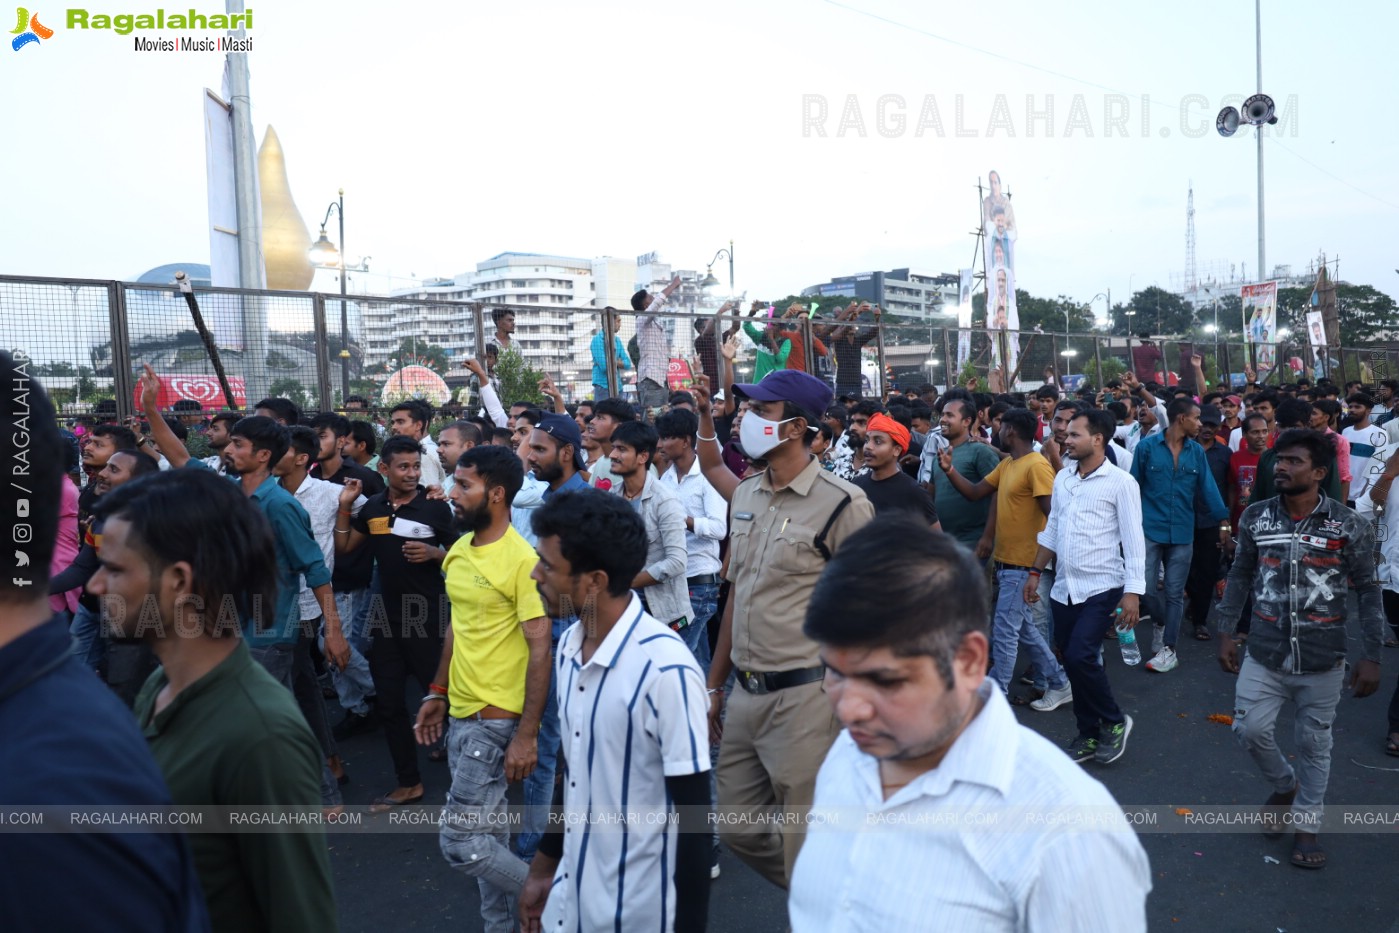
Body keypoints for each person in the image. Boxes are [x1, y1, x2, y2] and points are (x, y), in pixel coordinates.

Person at [790, 517, 1151, 932]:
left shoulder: (1068, 833)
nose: (850, 709)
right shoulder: (851, 751)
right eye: (834, 672)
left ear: (968, 660)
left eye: (884, 680)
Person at [1, 355, 211, 933]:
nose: (101, 468)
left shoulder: (56, 789)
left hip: (133, 635)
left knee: (130, 686)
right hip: (87, 623)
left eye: (113, 460)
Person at [89, 470, 338, 932]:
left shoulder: (260, 735)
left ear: (180, 582)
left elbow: (301, 916)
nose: (95, 586)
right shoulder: (161, 686)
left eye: (116, 569)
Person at [697, 369, 875, 889]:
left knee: (806, 843)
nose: (747, 419)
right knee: (737, 828)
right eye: (748, 408)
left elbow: (867, 610)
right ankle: (845, 897)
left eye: (762, 411)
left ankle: (831, 907)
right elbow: (737, 597)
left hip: (806, 696)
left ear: (796, 427)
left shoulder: (843, 503)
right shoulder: (748, 495)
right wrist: (714, 683)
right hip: (746, 695)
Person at [518, 491, 712, 933]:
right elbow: (574, 775)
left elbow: (696, 822)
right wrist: (543, 869)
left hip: (640, 913)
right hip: (572, 899)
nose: (535, 574)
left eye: (547, 565)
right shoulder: (568, 648)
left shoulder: (666, 670)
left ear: (594, 581)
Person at [1212, 429, 1383, 871]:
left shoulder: (1348, 524)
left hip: (1323, 656)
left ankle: (1307, 825)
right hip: (1264, 652)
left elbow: (1367, 590)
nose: (1280, 467)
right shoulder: (1255, 517)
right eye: (1278, 460)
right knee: (1248, 730)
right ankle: (1283, 785)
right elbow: (1239, 576)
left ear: (1320, 472)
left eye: (1293, 461)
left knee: (1314, 743)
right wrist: (1226, 631)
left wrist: (1372, 655)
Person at [413, 446, 550, 933]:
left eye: (464, 486)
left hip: (495, 722)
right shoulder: (456, 551)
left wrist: (526, 734)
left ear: (496, 494)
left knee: (461, 843)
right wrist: (436, 691)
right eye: (454, 482)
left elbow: (540, 650)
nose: (452, 493)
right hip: (460, 715)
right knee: (489, 836)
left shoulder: (522, 562)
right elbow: (457, 628)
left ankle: (559, 900)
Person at [335, 435, 458, 811]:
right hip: (385, 617)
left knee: (446, 699)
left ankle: (470, 778)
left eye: (415, 466)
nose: (411, 473)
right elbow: (345, 548)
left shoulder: (435, 506)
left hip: (427, 615)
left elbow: (462, 554)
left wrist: (435, 552)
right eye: (402, 467)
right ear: (383, 470)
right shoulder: (372, 509)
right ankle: (409, 782)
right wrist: (344, 508)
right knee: (389, 703)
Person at [1025, 410, 1146, 763]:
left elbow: (1134, 541)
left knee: (1080, 655)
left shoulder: (1122, 483)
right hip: (1064, 587)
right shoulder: (1064, 478)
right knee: (1074, 660)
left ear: (1098, 439)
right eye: (1067, 434)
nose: (1066, 438)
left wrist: (1133, 592)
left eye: (1075, 434)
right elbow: (1052, 529)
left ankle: (1114, 720)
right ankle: (1088, 733)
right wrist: (1035, 572)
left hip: (1103, 586)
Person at [939, 408, 1071, 706]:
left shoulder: (1036, 465)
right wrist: (949, 469)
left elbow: (1054, 517)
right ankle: (1060, 682)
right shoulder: (1011, 463)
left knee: (1005, 632)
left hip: (1024, 565)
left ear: (1010, 430)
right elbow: (975, 492)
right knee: (1023, 630)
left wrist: (1039, 568)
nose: (996, 429)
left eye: (1002, 426)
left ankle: (994, 696)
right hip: (1007, 563)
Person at [514, 412, 590, 863]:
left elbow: (592, 586)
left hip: (570, 638)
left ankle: (534, 852)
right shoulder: (547, 495)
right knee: (555, 748)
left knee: (550, 748)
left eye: (538, 448)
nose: (531, 457)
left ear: (566, 452)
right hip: (552, 635)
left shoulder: (580, 504)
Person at [1129, 396, 1230, 673]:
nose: (1200, 424)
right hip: (1150, 530)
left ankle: (1168, 649)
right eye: (1197, 418)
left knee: (1174, 593)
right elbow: (1132, 488)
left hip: (1184, 532)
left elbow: (1208, 488)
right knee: (1146, 591)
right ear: (1181, 419)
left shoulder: (1196, 452)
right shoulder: (1147, 448)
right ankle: (1160, 622)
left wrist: (1224, 522)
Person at [656, 409, 728, 670]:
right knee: (696, 658)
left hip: (699, 583)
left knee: (677, 657)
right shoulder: (666, 477)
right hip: (676, 581)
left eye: (666, 438)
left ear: (686, 441)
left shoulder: (709, 477)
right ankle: (708, 705)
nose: (661, 444)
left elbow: (720, 528)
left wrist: (682, 520)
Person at [605, 421, 690, 630]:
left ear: (643, 457)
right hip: (622, 610)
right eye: (614, 447)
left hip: (663, 613)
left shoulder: (665, 500)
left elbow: (677, 562)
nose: (613, 455)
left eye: (622, 449)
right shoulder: (611, 497)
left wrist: (626, 582)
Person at [923, 396, 1000, 552]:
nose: (943, 420)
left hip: (974, 544)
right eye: (942, 415)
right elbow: (930, 499)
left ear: (966, 421)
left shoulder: (980, 451)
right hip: (944, 544)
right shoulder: (941, 455)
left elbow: (997, 495)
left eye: (950, 415)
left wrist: (988, 537)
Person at [1185, 405, 1234, 641]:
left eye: (1213, 426)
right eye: (1203, 424)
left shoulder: (1224, 454)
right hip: (1184, 519)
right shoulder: (1184, 450)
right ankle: (1194, 604)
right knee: (1187, 572)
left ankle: (1200, 621)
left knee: (1206, 572)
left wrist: (1226, 523)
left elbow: (1230, 489)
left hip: (1212, 522)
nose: (1207, 429)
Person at [855, 412, 939, 527]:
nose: (868, 446)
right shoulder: (856, 486)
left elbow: (936, 540)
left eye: (878, 441)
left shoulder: (914, 493)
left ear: (897, 450)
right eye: (867, 440)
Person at [633, 277, 682, 414]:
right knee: (652, 421)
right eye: (650, 298)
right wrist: (673, 285)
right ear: (644, 306)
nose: (653, 298)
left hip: (658, 380)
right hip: (651, 380)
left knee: (660, 420)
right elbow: (659, 301)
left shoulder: (653, 323)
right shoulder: (642, 319)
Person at [1343, 392, 1392, 503]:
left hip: (1363, 496)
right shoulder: (1345, 432)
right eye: (1350, 407)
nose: (1352, 410)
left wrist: (1364, 493)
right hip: (1344, 494)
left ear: (1368, 411)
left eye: (1357, 407)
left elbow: (1378, 466)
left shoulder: (1379, 434)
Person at [390, 400, 446, 490]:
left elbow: (428, 493)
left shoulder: (424, 454)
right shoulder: (421, 450)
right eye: (393, 422)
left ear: (418, 425)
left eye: (400, 422)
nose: (394, 427)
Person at [585, 396, 634, 491]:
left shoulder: (633, 465)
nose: (592, 421)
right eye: (595, 416)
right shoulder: (600, 462)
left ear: (618, 427)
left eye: (600, 417)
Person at [589, 307, 632, 401]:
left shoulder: (617, 340)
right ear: (608, 322)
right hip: (603, 386)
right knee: (604, 414)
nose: (620, 324)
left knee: (618, 414)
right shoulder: (597, 340)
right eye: (618, 321)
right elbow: (605, 367)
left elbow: (628, 364)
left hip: (618, 386)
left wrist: (612, 361)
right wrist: (618, 362)